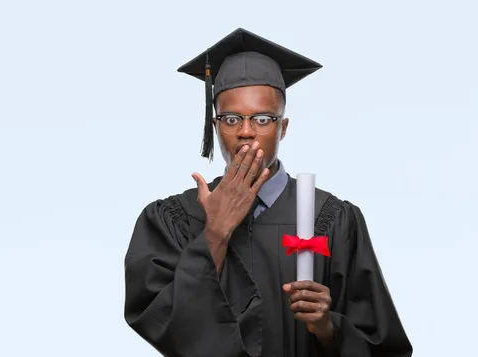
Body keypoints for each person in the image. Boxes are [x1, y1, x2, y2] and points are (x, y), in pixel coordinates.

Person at [123, 28, 413, 357]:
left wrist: (329, 329)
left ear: (283, 128)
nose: (246, 132)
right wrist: (215, 232)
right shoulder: (172, 222)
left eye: (262, 119)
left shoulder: (330, 220)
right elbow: (163, 328)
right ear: (216, 126)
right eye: (231, 118)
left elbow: (383, 348)